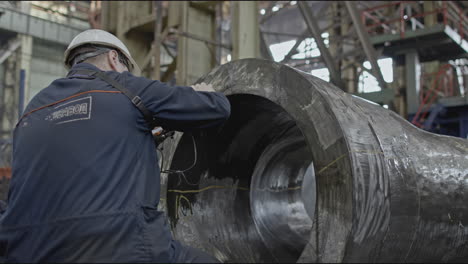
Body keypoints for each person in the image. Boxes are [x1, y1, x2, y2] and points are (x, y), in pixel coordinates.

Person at [0, 29, 230, 263]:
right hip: (118, 247)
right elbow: (217, 108)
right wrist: (204, 93)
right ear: (113, 58)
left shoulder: (31, 110)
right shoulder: (124, 86)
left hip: (24, 252)